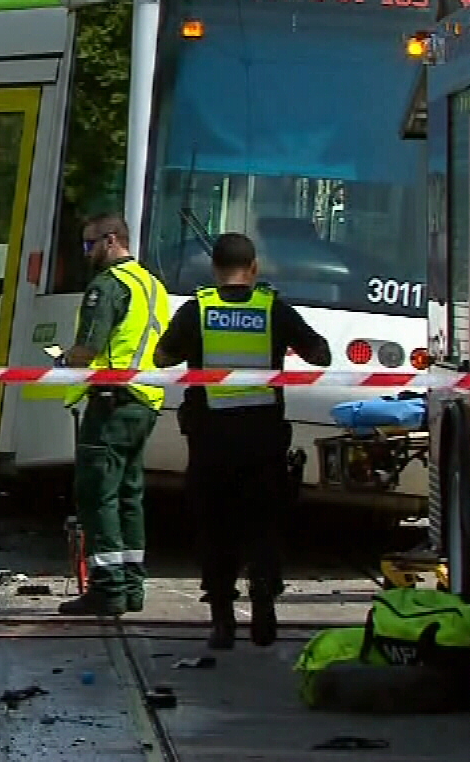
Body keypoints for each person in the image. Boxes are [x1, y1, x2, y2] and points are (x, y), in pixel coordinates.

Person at [152, 232, 331, 649]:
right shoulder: (274, 309)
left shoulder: (199, 308)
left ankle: (222, 621)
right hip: (262, 442)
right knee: (263, 526)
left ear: (214, 270)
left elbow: (162, 357)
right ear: (253, 269)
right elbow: (320, 355)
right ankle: (265, 607)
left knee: (215, 528)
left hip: (211, 441)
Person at [53, 214, 170, 618]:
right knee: (129, 496)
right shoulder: (151, 285)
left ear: (110, 240)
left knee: (97, 495)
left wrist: (65, 359)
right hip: (144, 401)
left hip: (111, 402)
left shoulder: (108, 286)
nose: (85, 253)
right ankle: (133, 586)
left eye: (89, 245)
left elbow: (89, 347)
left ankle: (107, 590)